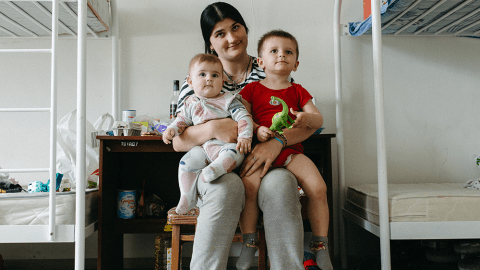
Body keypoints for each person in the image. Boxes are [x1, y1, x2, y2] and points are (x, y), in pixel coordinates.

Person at [173, 2, 319, 269]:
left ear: (245, 29)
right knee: (224, 189)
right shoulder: (199, 77)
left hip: (267, 163)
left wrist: (277, 143)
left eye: (236, 27)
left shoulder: (270, 65)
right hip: (217, 165)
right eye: (220, 33)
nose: (231, 38)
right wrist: (214, 129)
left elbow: (305, 123)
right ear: (210, 42)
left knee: (281, 186)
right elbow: (178, 141)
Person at [237, 30, 333, 270]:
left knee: (319, 188)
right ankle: (249, 244)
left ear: (296, 64)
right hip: (259, 155)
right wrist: (257, 129)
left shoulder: (298, 91)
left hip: (291, 154)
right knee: (248, 190)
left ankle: (320, 245)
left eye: (288, 52)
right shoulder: (250, 91)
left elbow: (318, 119)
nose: (282, 55)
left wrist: (305, 118)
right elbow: (242, 118)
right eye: (274, 51)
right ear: (260, 62)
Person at [163, 53, 253, 215]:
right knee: (186, 163)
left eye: (215, 75)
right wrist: (172, 129)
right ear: (190, 82)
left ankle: (215, 169)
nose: (209, 79)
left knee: (234, 152)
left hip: (226, 146)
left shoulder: (229, 100)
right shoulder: (190, 103)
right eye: (202, 74)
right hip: (203, 148)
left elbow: (244, 117)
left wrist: (245, 136)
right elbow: (181, 121)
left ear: (222, 82)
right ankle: (187, 197)